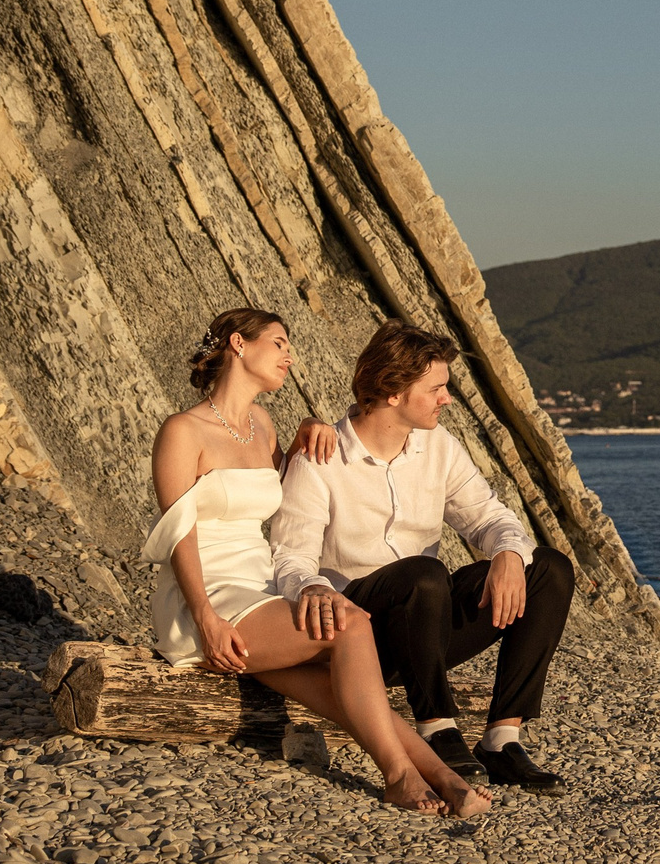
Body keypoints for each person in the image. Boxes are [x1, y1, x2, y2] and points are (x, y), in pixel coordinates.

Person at [147, 308, 489, 817]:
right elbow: (180, 535)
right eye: (279, 343)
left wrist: (309, 430)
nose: (289, 355)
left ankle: (442, 777)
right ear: (239, 345)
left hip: (262, 591)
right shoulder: (182, 431)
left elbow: (281, 490)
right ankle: (398, 777)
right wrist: (206, 618)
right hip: (208, 596)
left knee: (342, 685)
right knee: (348, 626)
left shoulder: (261, 425)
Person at [270, 321, 576, 790]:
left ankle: (502, 739)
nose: (446, 398)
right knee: (424, 574)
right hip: (361, 638)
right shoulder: (321, 456)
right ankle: (436, 728)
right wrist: (310, 587)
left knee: (548, 568)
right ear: (393, 391)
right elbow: (290, 556)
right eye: (436, 388)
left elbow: (490, 517)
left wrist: (509, 555)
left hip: (425, 630)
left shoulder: (440, 448)